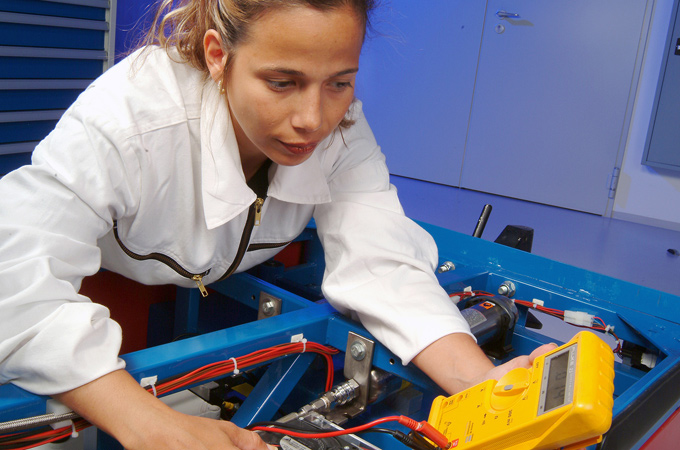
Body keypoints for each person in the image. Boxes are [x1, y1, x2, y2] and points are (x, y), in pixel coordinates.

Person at [0, 0, 555, 449]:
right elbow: (14, 279)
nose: (312, 120)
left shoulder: (341, 135)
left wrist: (483, 384)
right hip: (106, 285)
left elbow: (383, 263)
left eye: (339, 82)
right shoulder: (131, 118)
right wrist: (147, 423)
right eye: (283, 82)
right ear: (218, 55)